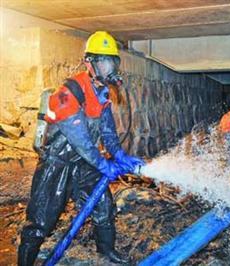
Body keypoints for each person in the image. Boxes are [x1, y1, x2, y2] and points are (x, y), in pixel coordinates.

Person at [18, 31, 144, 265]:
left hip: (83, 162)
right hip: (57, 163)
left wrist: (120, 155)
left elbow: (107, 132)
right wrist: (104, 164)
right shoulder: (70, 92)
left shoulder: (103, 95)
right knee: (40, 220)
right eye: (105, 62)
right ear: (90, 63)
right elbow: (82, 142)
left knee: (104, 206)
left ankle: (106, 252)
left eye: (113, 62)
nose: (110, 68)